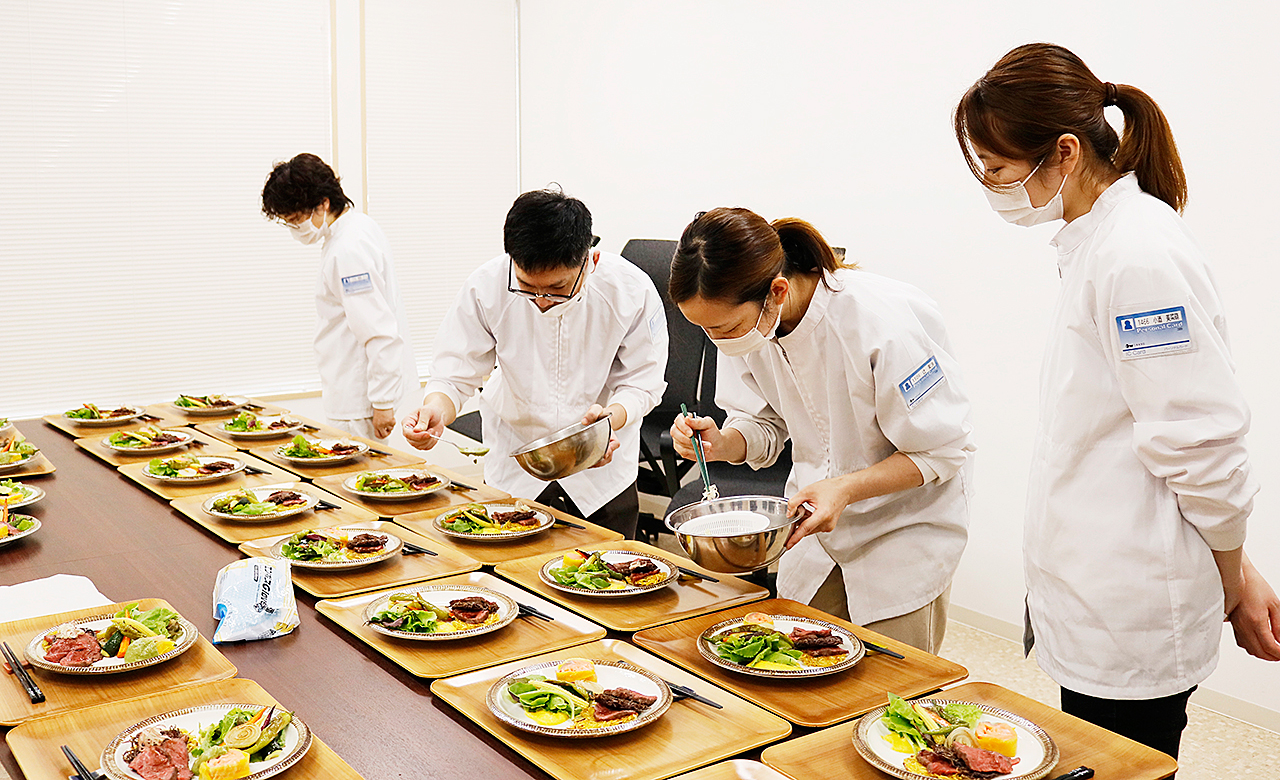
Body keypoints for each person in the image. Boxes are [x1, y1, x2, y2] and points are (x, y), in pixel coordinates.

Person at [954, 42, 1280, 758]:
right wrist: (1240, 567)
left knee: (1124, 765)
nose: (996, 187)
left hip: (1130, 612)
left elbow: (1202, 446)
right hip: (1099, 594)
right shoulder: (1098, 242)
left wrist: (1232, 580)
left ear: (1064, 151)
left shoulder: (1136, 254)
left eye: (1002, 170)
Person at [667, 208, 974, 653]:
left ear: (777, 291)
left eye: (725, 328)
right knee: (797, 670)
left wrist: (846, 488)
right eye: (705, 330)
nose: (719, 342)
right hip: (814, 530)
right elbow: (765, 424)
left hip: (903, 533)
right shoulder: (750, 327)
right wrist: (723, 443)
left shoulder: (883, 324)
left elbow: (942, 452)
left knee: (889, 693)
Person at [402, 187, 668, 537]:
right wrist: (437, 409)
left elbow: (640, 382)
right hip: (515, 467)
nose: (542, 301)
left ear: (590, 261)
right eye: (528, 288)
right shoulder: (486, 286)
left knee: (611, 577)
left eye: (557, 289)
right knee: (508, 579)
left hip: (601, 471)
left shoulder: (631, 291)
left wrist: (607, 421)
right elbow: (454, 372)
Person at [261, 153, 418, 441]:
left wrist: (382, 403)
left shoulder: (348, 249)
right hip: (354, 395)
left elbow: (378, 330)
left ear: (323, 203)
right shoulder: (357, 230)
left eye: (296, 219)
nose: (296, 229)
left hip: (359, 404)